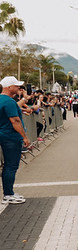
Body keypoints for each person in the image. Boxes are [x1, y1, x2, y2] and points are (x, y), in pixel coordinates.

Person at [0, 76, 31, 205]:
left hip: (3, 135)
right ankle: (8, 194)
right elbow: (15, 120)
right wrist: (25, 137)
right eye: (16, 86)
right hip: (10, 137)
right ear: (8, 87)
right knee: (11, 166)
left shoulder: (3, 100)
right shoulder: (9, 101)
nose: (19, 88)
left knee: (8, 166)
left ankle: (8, 192)